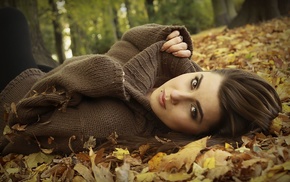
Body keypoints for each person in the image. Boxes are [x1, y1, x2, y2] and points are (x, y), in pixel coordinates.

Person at [0, 7, 281, 155]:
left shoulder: (114, 122)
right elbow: (128, 41)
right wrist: (165, 39)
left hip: (15, 94)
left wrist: (121, 74)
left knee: (11, 19)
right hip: (48, 73)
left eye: (194, 111)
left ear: (198, 135)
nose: (176, 96)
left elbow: (26, 119)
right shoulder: (170, 71)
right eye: (194, 83)